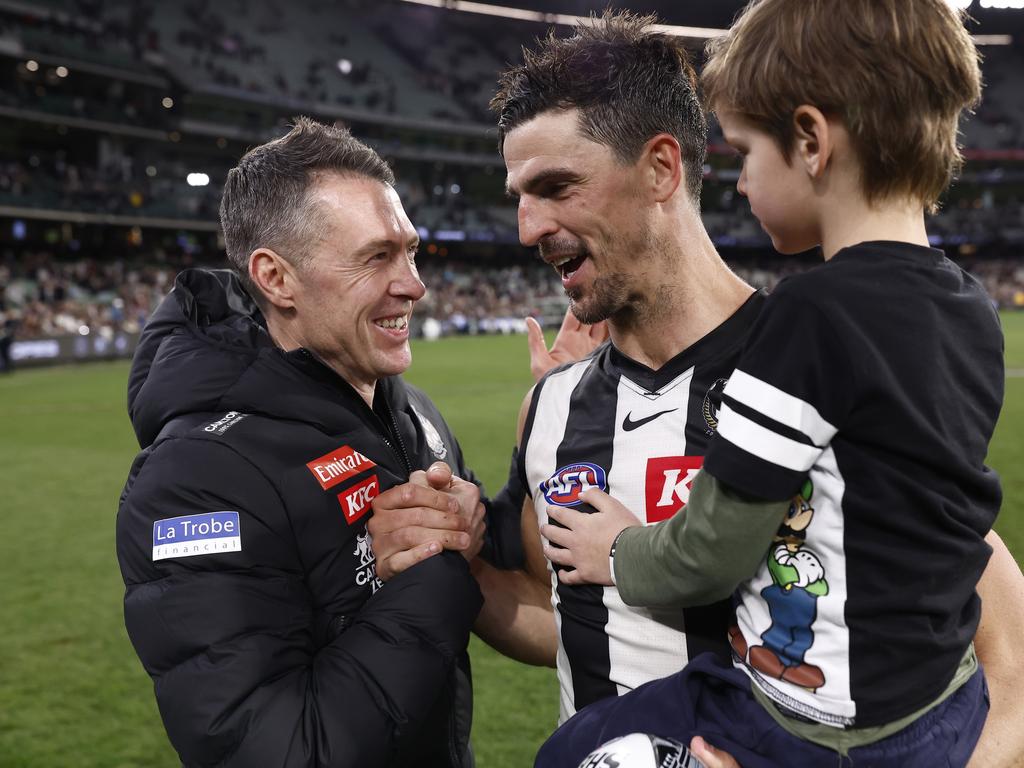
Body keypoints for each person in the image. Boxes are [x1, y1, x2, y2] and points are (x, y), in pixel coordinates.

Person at [365, 10, 1024, 768]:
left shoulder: (830, 366)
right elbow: (563, 617)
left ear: (661, 168)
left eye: (555, 186)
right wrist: (459, 556)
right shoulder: (552, 407)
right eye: (518, 194)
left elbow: (1005, 649)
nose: (526, 227)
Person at [116, 117, 494, 767]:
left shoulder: (412, 412)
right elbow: (277, 751)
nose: (414, 283)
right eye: (377, 256)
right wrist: (435, 575)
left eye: (410, 250)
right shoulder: (192, 479)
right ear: (276, 278)